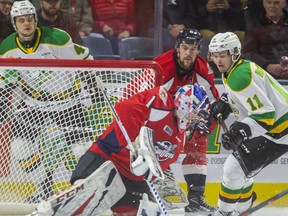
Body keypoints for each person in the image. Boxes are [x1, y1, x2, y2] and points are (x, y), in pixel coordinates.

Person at [64, 84, 210, 215]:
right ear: (185, 103)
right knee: (80, 201)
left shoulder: (181, 135)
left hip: (134, 181)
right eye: (196, 112)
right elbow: (125, 108)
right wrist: (133, 141)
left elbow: (156, 163)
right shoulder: (161, 101)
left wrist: (157, 177)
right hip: (107, 159)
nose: (197, 118)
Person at [0, 0, 93, 201]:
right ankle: (43, 188)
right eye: (21, 20)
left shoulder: (57, 39)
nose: (26, 24)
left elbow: (85, 60)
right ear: (14, 25)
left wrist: (93, 88)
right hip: (35, 104)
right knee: (19, 147)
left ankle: (73, 192)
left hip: (69, 102)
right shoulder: (6, 49)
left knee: (81, 150)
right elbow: (5, 81)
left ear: (36, 20)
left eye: (30, 19)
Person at [208, 31, 288, 215]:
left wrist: (241, 130)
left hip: (281, 130)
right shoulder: (237, 69)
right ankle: (242, 210)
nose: (218, 60)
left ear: (234, 53)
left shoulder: (239, 76)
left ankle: (225, 212)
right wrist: (227, 101)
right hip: (277, 127)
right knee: (240, 167)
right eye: (215, 55)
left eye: (222, 55)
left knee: (234, 168)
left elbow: (266, 115)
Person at [154, 28, 220, 215]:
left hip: (185, 116)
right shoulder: (162, 66)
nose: (188, 53)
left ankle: (195, 199)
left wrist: (205, 122)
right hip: (157, 114)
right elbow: (146, 101)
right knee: (158, 145)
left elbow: (213, 104)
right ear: (177, 48)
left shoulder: (202, 68)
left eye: (193, 48)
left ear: (199, 50)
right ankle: (155, 186)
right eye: (185, 47)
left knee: (199, 137)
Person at [243, 0, 288, 79]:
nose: (272, 6)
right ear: (264, 4)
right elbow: (249, 52)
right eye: (269, 2)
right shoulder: (253, 25)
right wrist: (267, 66)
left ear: (284, 4)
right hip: (264, 75)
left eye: (276, 3)